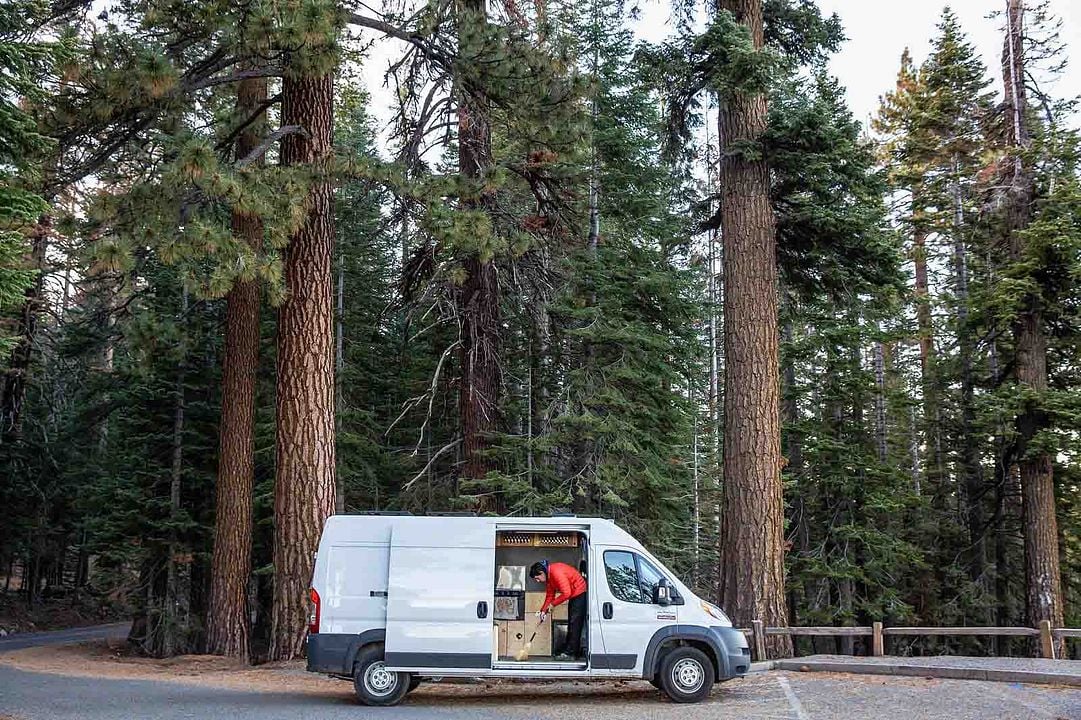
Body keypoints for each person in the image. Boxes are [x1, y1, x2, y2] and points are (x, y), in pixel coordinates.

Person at [529, 560, 587, 660]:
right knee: (572, 622)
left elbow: (566, 593)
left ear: (542, 573)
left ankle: (571, 653)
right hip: (574, 595)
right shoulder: (549, 578)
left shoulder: (556, 572)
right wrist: (543, 611)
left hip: (579, 593)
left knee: (575, 623)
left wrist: (552, 604)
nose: (538, 581)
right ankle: (569, 649)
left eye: (537, 578)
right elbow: (550, 595)